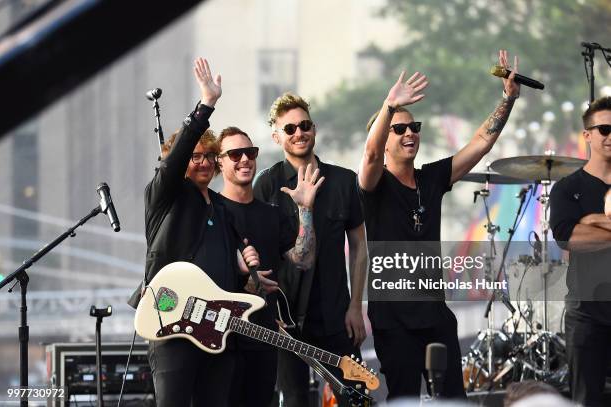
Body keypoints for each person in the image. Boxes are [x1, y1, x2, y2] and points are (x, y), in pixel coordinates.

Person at [357, 50, 520, 400]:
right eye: (398, 129)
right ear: (384, 138)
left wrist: (507, 98)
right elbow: (369, 156)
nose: (409, 133)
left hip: (435, 312)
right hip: (393, 317)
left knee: (453, 399)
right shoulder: (374, 184)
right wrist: (389, 105)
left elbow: (481, 142)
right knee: (404, 398)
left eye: (414, 127)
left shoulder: (431, 178)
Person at [128, 58, 260, 407]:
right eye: (195, 156)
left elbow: (232, 273)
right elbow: (174, 161)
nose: (203, 162)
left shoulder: (222, 208)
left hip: (215, 331)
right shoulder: (166, 196)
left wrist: (246, 271)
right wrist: (206, 105)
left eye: (210, 156)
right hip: (172, 324)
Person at [253, 93, 369, 406]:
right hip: (285, 320)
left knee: (356, 396)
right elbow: (257, 256)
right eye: (289, 129)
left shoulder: (344, 181)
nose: (299, 133)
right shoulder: (266, 185)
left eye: (304, 125)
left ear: (314, 129)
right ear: (277, 137)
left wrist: (356, 306)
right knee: (294, 401)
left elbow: (359, 246)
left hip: (335, 314)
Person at [216, 126, 323, 406]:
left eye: (250, 153)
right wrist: (239, 277)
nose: (244, 160)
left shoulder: (271, 214)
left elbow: (304, 259)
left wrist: (305, 210)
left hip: (263, 337)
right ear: (220, 161)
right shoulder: (211, 210)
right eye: (235, 154)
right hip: (218, 338)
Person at [550, 96, 611, 407]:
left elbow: (584, 231)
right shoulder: (566, 187)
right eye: (604, 129)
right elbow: (568, 237)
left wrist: (593, 223)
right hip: (586, 314)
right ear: (587, 135)